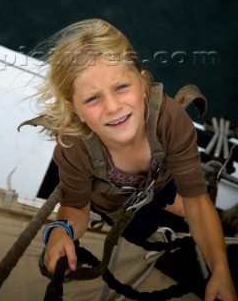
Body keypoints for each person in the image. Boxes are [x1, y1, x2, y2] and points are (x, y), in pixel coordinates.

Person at [33, 19, 237, 301]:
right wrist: (61, 230)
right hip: (118, 205)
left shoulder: (170, 120)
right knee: (143, 229)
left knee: (189, 205)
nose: (113, 107)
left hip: (163, 180)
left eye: (120, 87)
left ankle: (197, 222)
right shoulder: (74, 148)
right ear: (74, 109)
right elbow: (76, 206)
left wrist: (221, 270)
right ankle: (162, 230)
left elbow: (196, 201)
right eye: (92, 98)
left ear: (142, 84)